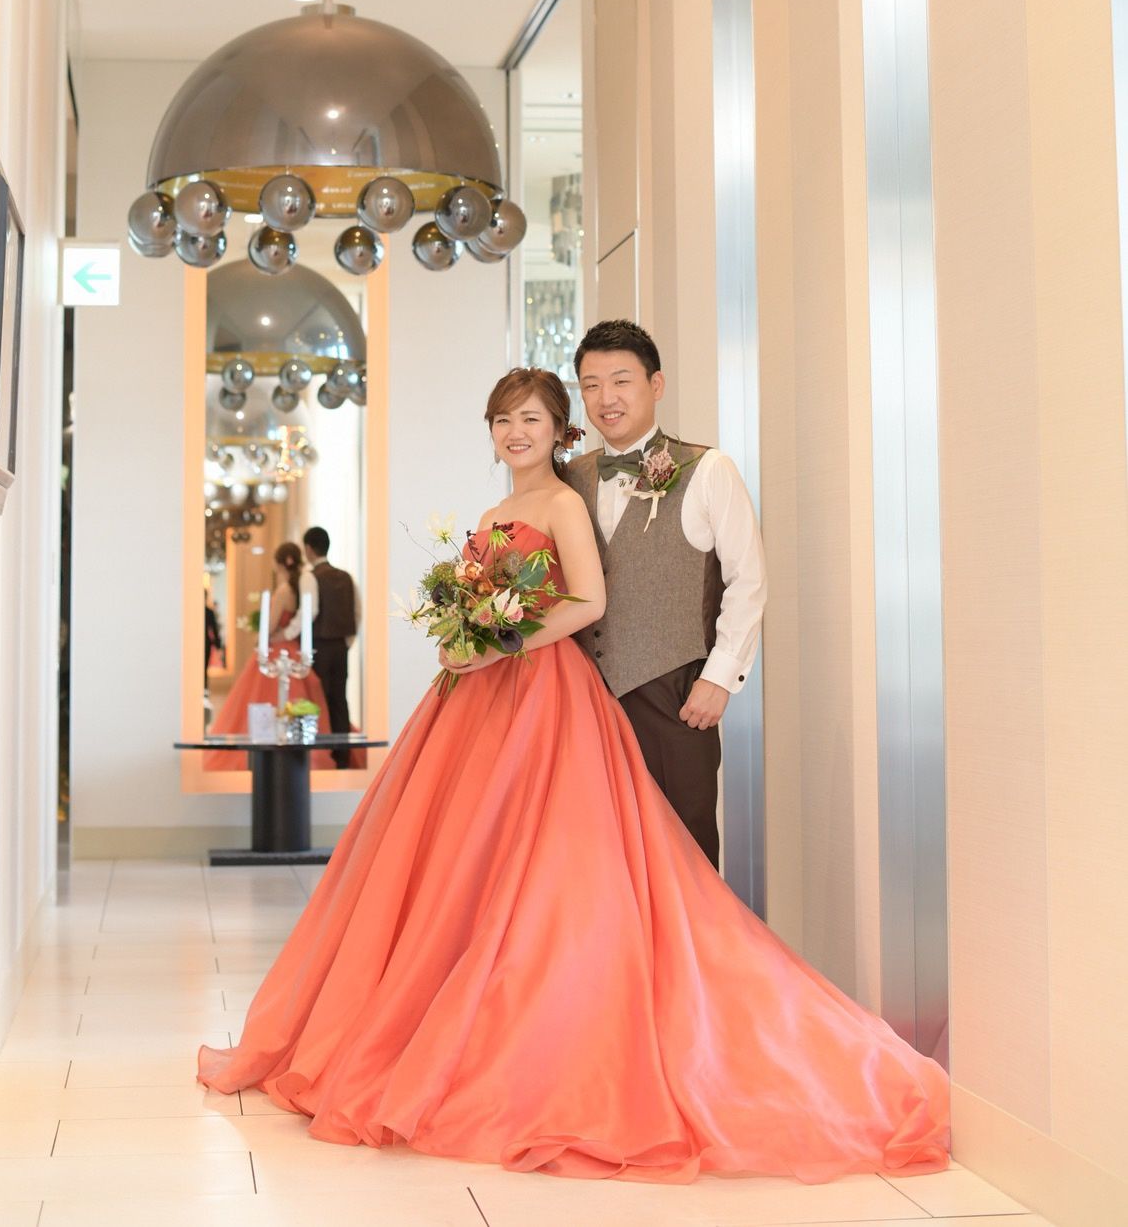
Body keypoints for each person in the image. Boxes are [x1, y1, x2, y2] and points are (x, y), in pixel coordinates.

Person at [199, 367, 948, 1184]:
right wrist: (461, 636)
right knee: (461, 862)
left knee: (544, 864)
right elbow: (487, 600)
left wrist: (498, 642)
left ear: (561, 430)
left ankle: (536, 1028)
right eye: (502, 419)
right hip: (475, 700)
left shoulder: (561, 502)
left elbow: (588, 601)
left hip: (542, 693)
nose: (516, 432)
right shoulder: (495, 513)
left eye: (532, 418)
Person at [566, 319, 766, 868]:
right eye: (590, 385)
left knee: (684, 850)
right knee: (597, 855)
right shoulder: (569, 478)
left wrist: (719, 679)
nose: (606, 398)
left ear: (656, 385)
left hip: (674, 694)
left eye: (621, 381)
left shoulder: (708, 470)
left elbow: (748, 579)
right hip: (585, 698)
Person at [204, 542, 331, 772]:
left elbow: (271, 624)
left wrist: (261, 637)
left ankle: (267, 746)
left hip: (276, 649)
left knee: (265, 697)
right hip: (292, 648)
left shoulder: (283, 591)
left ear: (280, 563)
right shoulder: (297, 590)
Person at [302, 526, 358, 772]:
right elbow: (357, 611)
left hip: (319, 645)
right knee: (339, 699)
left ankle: (323, 754)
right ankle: (342, 756)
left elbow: (311, 611)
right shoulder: (346, 577)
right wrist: (347, 641)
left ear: (308, 549)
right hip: (340, 646)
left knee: (319, 700)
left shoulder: (310, 577)